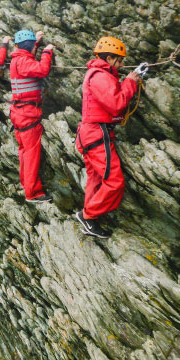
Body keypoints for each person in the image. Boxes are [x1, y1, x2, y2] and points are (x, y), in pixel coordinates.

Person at [75, 36, 140, 238]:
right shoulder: (100, 76)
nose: (121, 64)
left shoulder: (99, 75)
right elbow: (117, 104)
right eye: (119, 60)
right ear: (110, 58)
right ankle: (88, 216)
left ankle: (90, 218)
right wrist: (130, 82)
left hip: (90, 133)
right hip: (97, 133)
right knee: (114, 181)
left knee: (95, 178)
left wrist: (125, 81)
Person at [9, 29, 54, 202]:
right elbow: (42, 69)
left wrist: (36, 42)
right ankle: (33, 193)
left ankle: (25, 184)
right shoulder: (23, 61)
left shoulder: (17, 58)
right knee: (31, 155)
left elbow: (27, 54)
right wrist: (47, 51)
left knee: (24, 152)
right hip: (27, 114)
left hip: (19, 113)